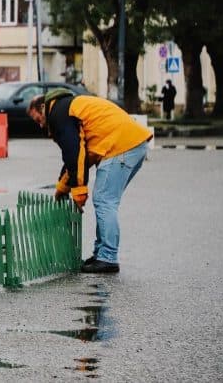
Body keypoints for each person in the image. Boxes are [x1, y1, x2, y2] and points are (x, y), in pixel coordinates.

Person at [27, 89, 151, 273]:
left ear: (43, 107)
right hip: (131, 143)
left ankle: (107, 257)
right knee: (105, 200)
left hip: (122, 146)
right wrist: (62, 188)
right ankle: (102, 254)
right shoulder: (66, 108)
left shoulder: (58, 113)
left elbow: (75, 153)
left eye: (38, 119)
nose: (39, 125)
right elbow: (76, 158)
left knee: (104, 200)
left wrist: (78, 192)